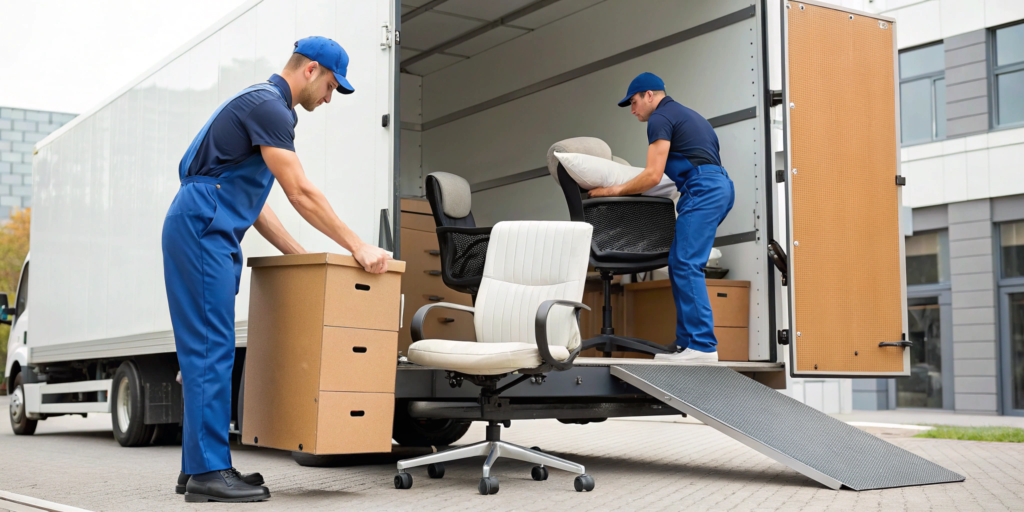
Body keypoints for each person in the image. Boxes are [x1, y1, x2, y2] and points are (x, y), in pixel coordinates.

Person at [162, 36, 391, 503]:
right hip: (204, 226)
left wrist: (297, 255)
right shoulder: (271, 107)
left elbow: (254, 201)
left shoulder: (259, 105)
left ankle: (197, 467)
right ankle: (209, 471)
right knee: (211, 351)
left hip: (205, 222)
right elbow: (300, 192)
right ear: (310, 70)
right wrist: (358, 245)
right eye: (330, 85)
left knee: (207, 351)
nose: (329, 98)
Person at [589, 72, 734, 362]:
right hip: (720, 186)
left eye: (633, 102)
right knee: (680, 261)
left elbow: (653, 175)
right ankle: (685, 343)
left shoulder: (660, 118)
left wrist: (612, 190)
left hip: (702, 190)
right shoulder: (690, 116)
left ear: (650, 95)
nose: (632, 110)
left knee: (686, 263)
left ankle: (702, 346)